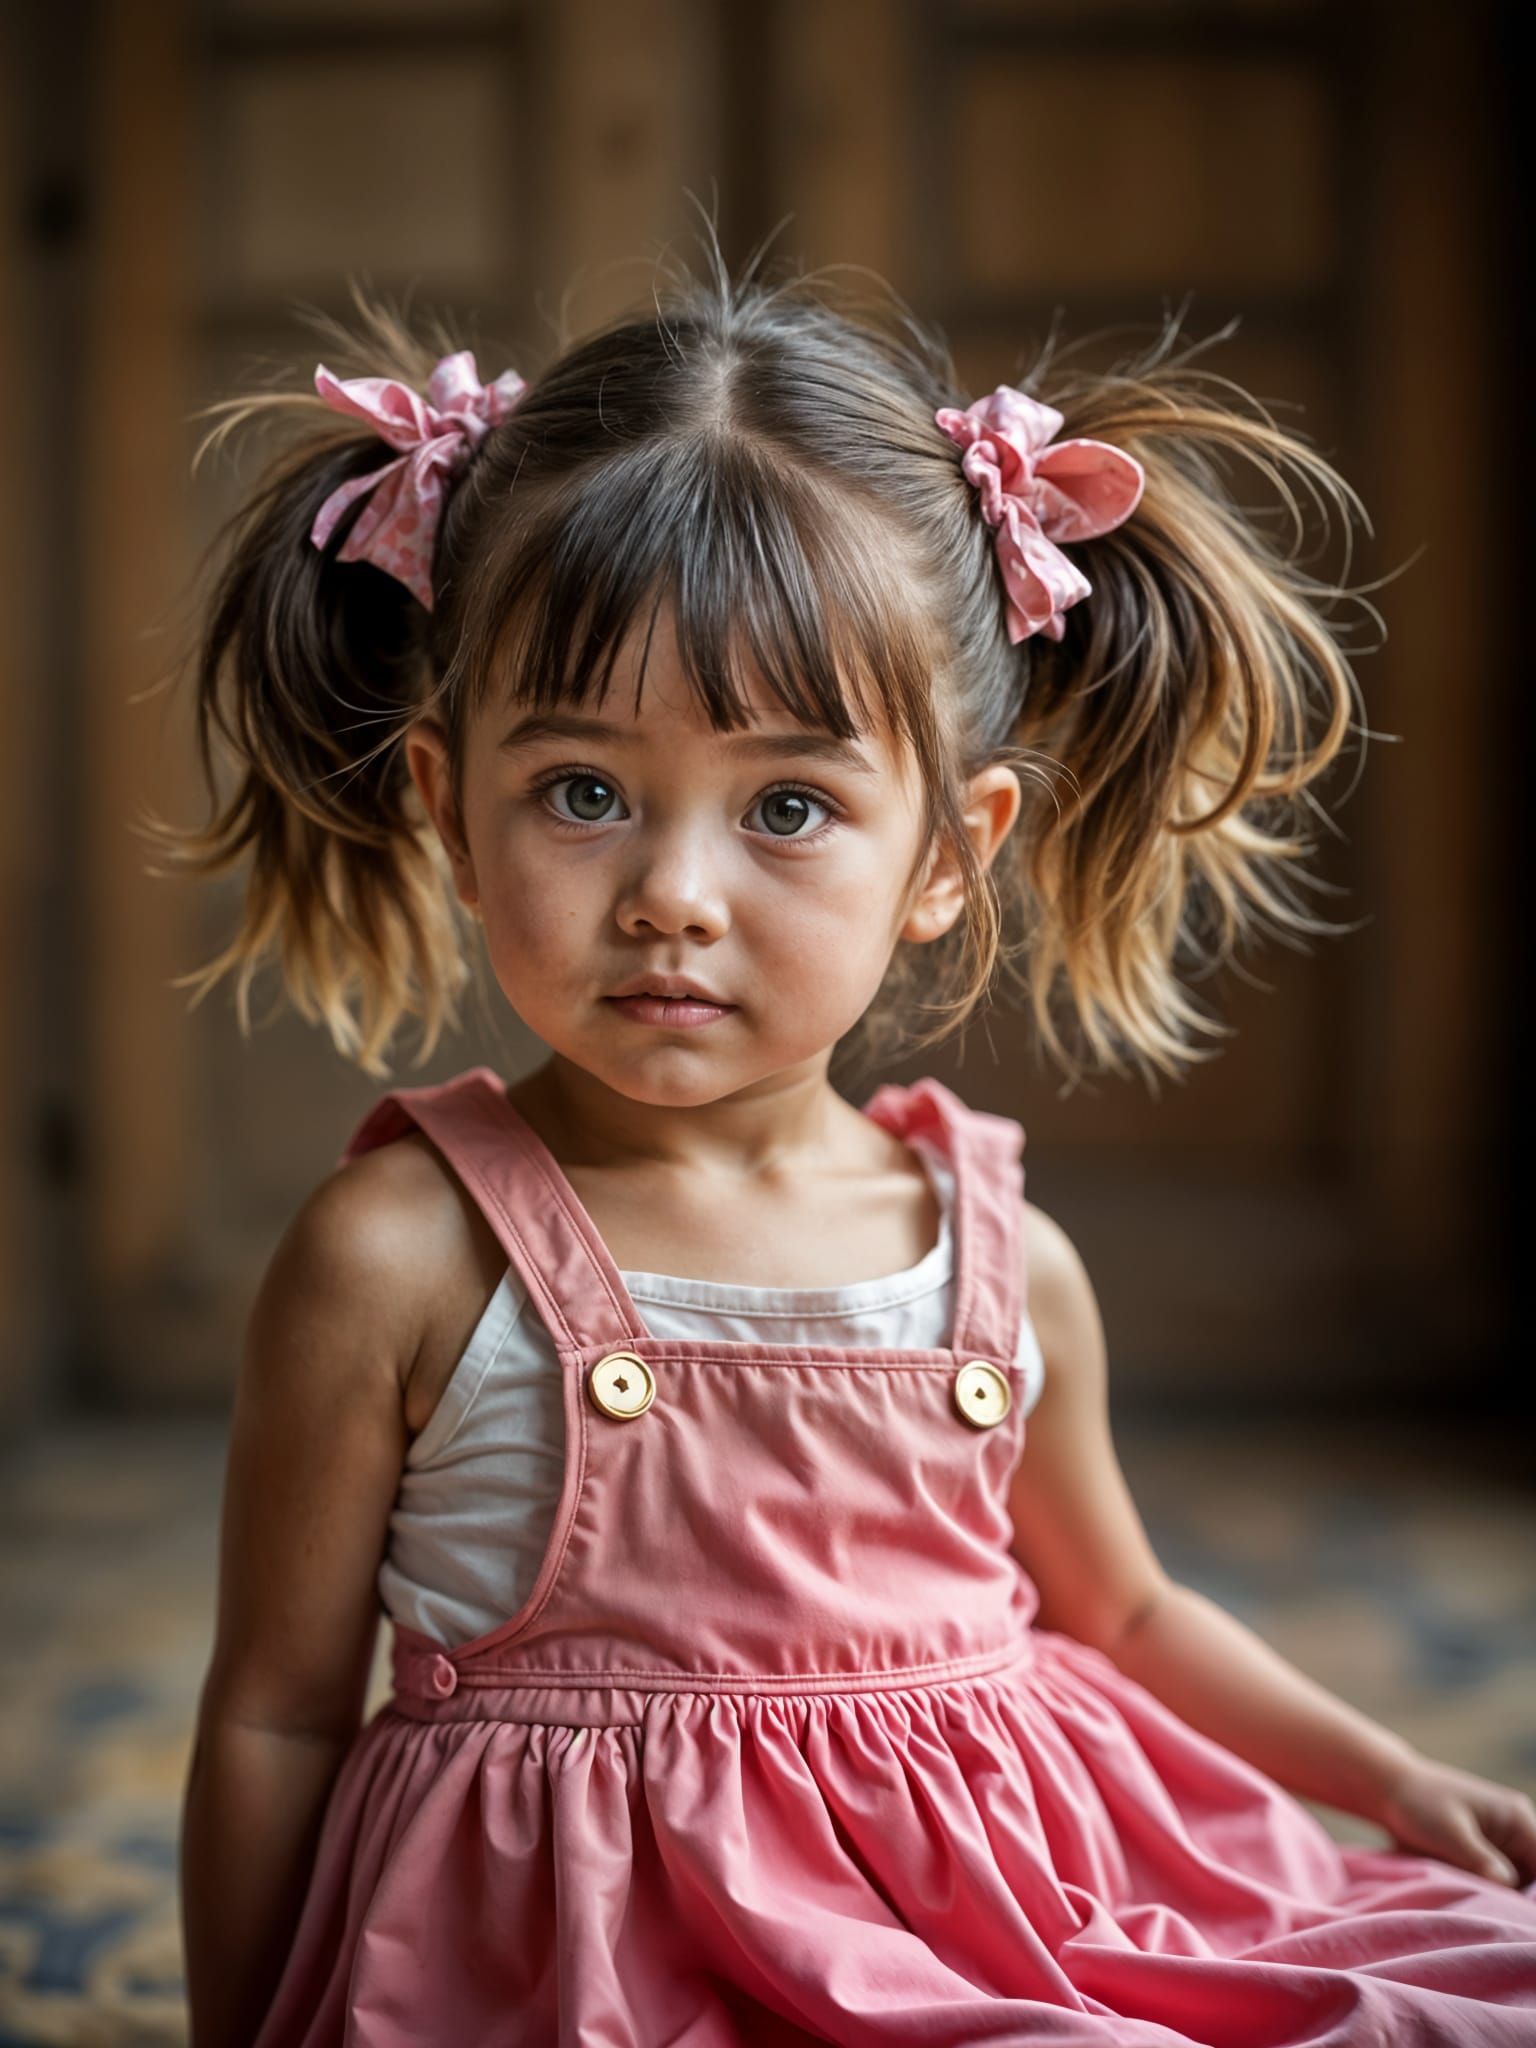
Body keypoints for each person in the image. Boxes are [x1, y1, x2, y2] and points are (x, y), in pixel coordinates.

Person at [168, 229, 1536, 2047]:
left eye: (790, 805)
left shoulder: (996, 1258)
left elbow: (1120, 1614)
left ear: (951, 854)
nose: (672, 895)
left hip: (997, 1925)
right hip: (578, 1978)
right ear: (445, 802)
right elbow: (273, 1711)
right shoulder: (399, 1260)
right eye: (582, 793)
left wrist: (1386, 1777)